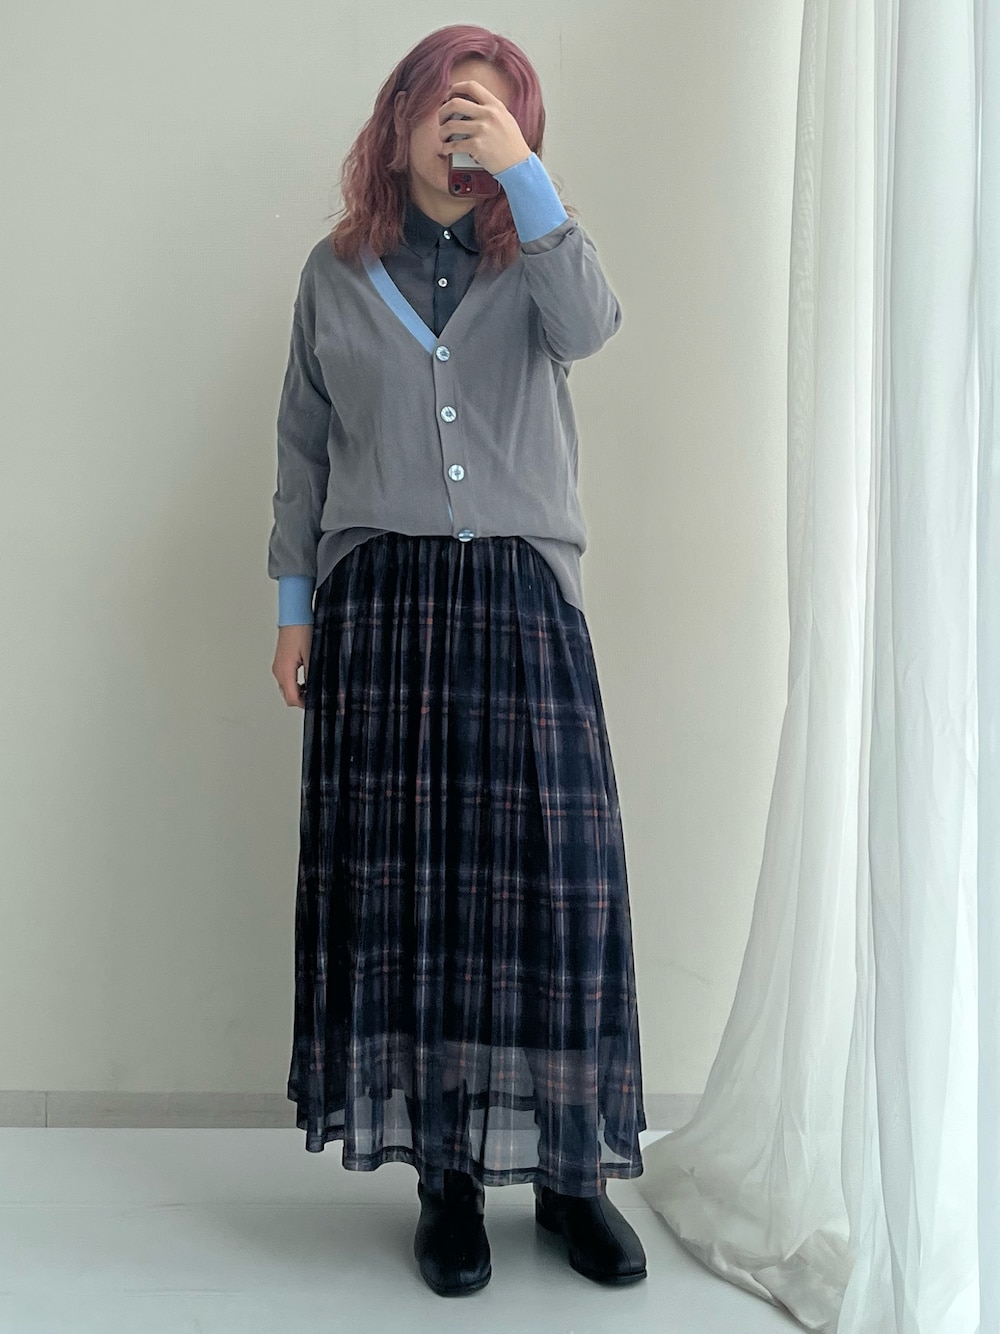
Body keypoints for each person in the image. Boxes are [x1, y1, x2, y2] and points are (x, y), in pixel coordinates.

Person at [267, 23, 648, 1298]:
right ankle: (447, 1180)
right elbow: (301, 448)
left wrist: (526, 180)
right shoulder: (334, 272)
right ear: (397, 122)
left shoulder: (539, 256)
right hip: (378, 609)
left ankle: (572, 1176)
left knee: (557, 892)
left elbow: (591, 325)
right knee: (414, 900)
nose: (458, 124)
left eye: (485, 108)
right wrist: (294, 607)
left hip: (520, 603)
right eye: (440, 102)